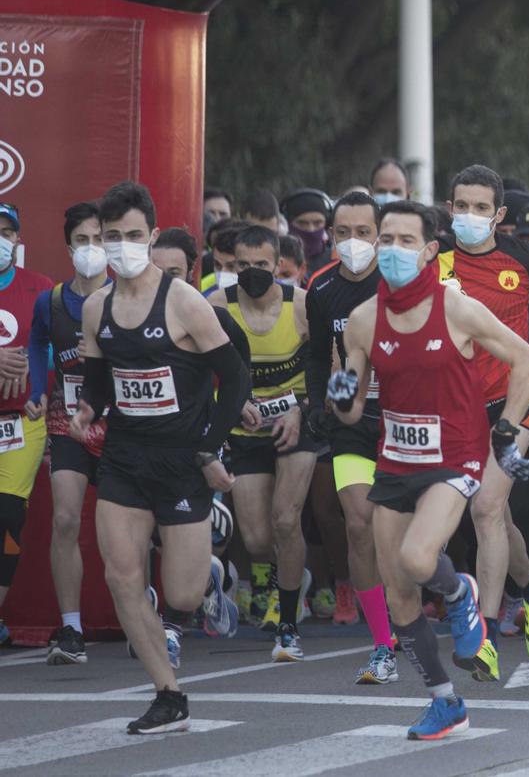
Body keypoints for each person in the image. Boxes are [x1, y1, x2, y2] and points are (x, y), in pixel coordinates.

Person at [330, 200, 529, 741]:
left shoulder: (457, 308)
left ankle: (460, 593)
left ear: (429, 251)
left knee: (419, 557)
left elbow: (526, 360)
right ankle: (446, 702)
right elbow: (351, 408)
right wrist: (339, 395)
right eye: (386, 240)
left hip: (456, 454)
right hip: (396, 458)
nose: (392, 251)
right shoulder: (362, 320)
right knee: (399, 591)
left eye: (406, 241)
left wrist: (508, 428)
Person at [71, 181, 252, 735]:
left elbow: (237, 377)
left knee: (181, 594)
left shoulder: (182, 301)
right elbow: (101, 382)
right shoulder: (97, 307)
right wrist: (85, 408)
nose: (120, 246)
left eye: (131, 235)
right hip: (125, 458)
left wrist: (209, 446)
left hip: (180, 460)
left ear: (151, 236)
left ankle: (214, 573)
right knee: (122, 576)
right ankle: (167, 694)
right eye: (110, 237)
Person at [435, 165, 529, 667]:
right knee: (499, 515)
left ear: (499, 214)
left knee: (486, 508)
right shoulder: (435, 259)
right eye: (461, 206)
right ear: (450, 209)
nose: (470, 216)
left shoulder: (521, 255)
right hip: (457, 405)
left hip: (515, 399)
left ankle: (483, 638)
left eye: (481, 208)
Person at [303, 190, 401, 685]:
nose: (353, 242)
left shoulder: (401, 282)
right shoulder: (320, 288)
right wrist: (322, 401)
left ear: (381, 237)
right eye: (343, 233)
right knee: (359, 523)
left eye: (364, 233)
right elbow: (320, 356)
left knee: (399, 534)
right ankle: (383, 644)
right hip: (352, 426)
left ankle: (435, 597)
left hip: (404, 421)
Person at [210, 225, 316, 660]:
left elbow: (325, 368)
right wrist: (234, 405)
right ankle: (286, 577)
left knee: (286, 519)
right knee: (255, 537)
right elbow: (201, 370)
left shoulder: (303, 306)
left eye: (261, 265)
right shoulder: (216, 306)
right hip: (244, 429)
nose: (252, 272)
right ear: (231, 266)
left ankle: (288, 625)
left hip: (296, 421)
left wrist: (301, 409)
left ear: (279, 266)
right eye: (242, 266)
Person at [32, 202, 107, 663]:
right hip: (67, 420)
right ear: (69, 248)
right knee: (64, 519)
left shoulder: (125, 297)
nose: (92, 249)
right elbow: (38, 341)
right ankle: (71, 629)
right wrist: (39, 389)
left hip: (120, 422)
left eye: (100, 240)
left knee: (132, 528)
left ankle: (150, 611)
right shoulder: (54, 301)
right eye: (83, 241)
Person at [0, 201, 51, 650]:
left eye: (5, 231)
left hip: (21, 421)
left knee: (8, 512)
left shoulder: (40, 290)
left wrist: (40, 388)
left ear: (17, 240)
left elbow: (56, 352)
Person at [281, 189, 334, 273]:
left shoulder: (336, 263)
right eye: (302, 223)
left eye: (317, 223)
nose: (311, 229)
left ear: (326, 224)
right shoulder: (277, 260)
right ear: (287, 224)